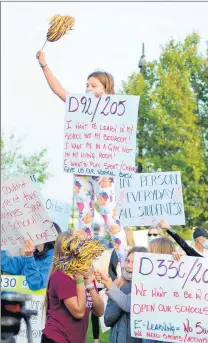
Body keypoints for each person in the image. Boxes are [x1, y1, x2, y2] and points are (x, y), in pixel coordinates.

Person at [36, 49, 128, 265]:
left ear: (106, 88)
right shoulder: (79, 107)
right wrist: (44, 66)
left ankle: (126, 264)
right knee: (83, 220)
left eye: (94, 85)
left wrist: (106, 100)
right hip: (81, 170)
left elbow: (123, 119)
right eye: (87, 85)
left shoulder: (113, 107)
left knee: (109, 217)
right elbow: (59, 90)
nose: (88, 89)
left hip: (102, 171)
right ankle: (83, 267)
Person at [97, 237, 194, 343]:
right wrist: (110, 284)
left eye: (150, 252)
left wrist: (183, 263)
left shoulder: (180, 279)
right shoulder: (145, 281)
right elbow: (128, 304)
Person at [41, 230, 104, 343]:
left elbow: (99, 311)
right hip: (57, 342)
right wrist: (81, 281)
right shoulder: (61, 277)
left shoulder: (84, 272)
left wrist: (89, 283)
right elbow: (79, 312)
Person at [103, 246, 148, 343]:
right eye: (128, 261)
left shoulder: (127, 287)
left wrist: (116, 288)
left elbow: (108, 318)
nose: (128, 265)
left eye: (134, 263)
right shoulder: (147, 287)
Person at [1, 222, 61, 291]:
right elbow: (5, 263)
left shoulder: (54, 259)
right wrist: (2, 244)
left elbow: (36, 284)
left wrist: (29, 257)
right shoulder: (35, 256)